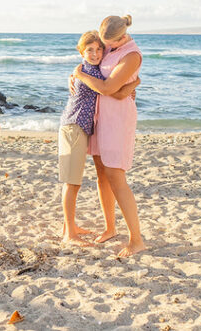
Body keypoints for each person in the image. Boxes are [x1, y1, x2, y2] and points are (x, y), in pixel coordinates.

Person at [71, 14, 145, 257]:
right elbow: (99, 73)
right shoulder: (112, 48)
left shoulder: (131, 54)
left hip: (118, 120)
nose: (106, 47)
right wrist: (73, 77)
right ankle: (110, 228)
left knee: (116, 175)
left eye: (109, 43)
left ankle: (136, 239)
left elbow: (106, 87)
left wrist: (80, 74)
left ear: (122, 37)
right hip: (99, 119)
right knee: (102, 173)